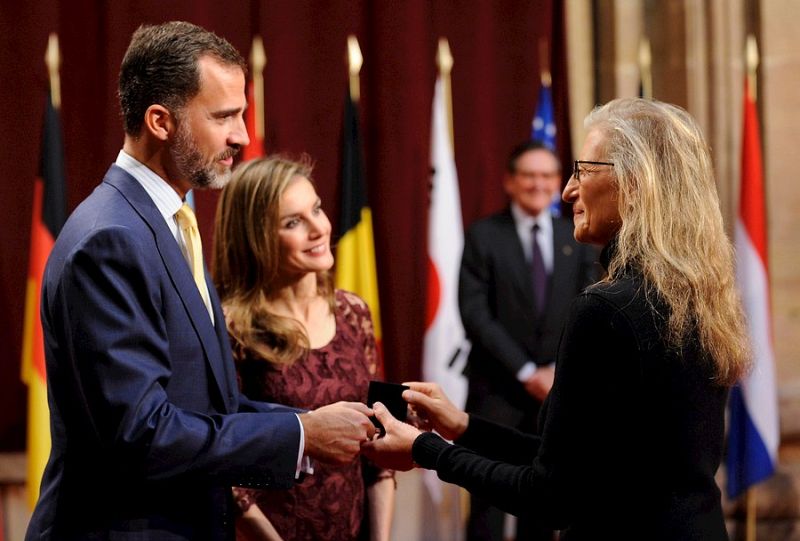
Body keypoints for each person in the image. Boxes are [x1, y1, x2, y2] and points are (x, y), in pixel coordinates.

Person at [27, 22, 375, 541]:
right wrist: (302, 434)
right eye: (224, 116)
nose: (241, 135)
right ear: (160, 121)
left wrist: (333, 426)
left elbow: (209, 407)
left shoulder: (170, 222)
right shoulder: (111, 240)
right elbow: (143, 435)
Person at [363, 98, 751, 540]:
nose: (566, 191)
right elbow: (581, 465)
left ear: (634, 182)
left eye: (582, 171)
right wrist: (462, 427)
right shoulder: (697, 296)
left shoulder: (606, 309)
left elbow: (550, 495)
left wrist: (424, 449)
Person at [212, 156, 395, 541]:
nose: (319, 229)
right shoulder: (230, 328)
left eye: (316, 209)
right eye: (293, 222)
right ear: (255, 236)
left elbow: (379, 448)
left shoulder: (353, 311)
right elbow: (223, 466)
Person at [459, 141, 598, 540]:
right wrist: (525, 372)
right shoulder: (483, 235)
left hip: (557, 394)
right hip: (496, 393)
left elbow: (588, 305)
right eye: (529, 175)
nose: (539, 184)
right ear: (510, 181)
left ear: (559, 182)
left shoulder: (577, 234)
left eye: (548, 175)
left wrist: (557, 370)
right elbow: (474, 314)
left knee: (542, 505)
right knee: (486, 501)